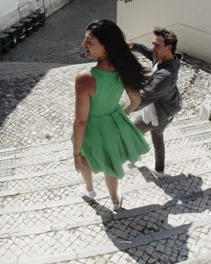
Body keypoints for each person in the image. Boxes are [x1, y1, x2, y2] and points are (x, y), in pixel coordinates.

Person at [72, 19, 150, 211]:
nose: (84, 44)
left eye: (89, 41)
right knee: (111, 164)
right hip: (113, 122)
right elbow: (136, 101)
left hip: (91, 127)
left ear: (105, 46)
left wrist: (75, 153)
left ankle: (89, 190)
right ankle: (115, 201)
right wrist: (119, 117)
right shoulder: (123, 67)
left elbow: (81, 121)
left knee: (84, 157)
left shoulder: (85, 78)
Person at [127, 27, 182, 176]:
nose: (153, 48)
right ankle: (159, 170)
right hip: (167, 108)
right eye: (153, 44)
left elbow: (139, 100)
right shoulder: (163, 57)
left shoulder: (166, 75)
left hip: (159, 114)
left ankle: (134, 155)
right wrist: (131, 45)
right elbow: (145, 49)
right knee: (157, 137)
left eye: (156, 45)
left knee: (133, 131)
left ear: (169, 47)